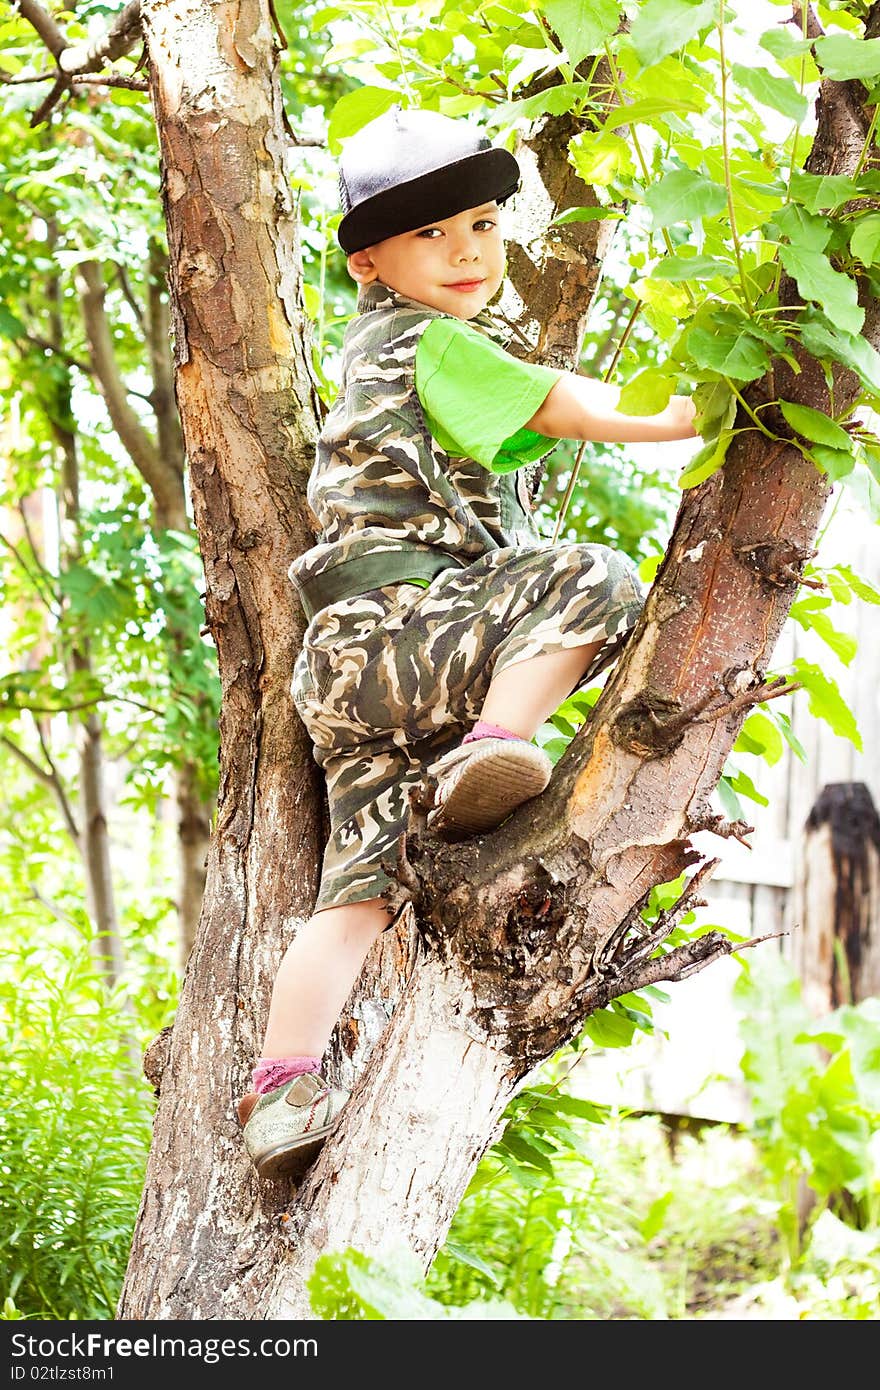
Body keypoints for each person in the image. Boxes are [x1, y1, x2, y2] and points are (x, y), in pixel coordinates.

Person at [237, 106, 698, 1181]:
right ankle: (496, 738)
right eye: (431, 234)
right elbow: (570, 405)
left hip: (352, 669)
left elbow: (519, 420)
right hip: (408, 629)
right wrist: (693, 414)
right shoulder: (431, 341)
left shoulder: (381, 352)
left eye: (484, 226)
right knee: (590, 575)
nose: (466, 253)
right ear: (368, 260)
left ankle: (277, 1084)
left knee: (355, 892)